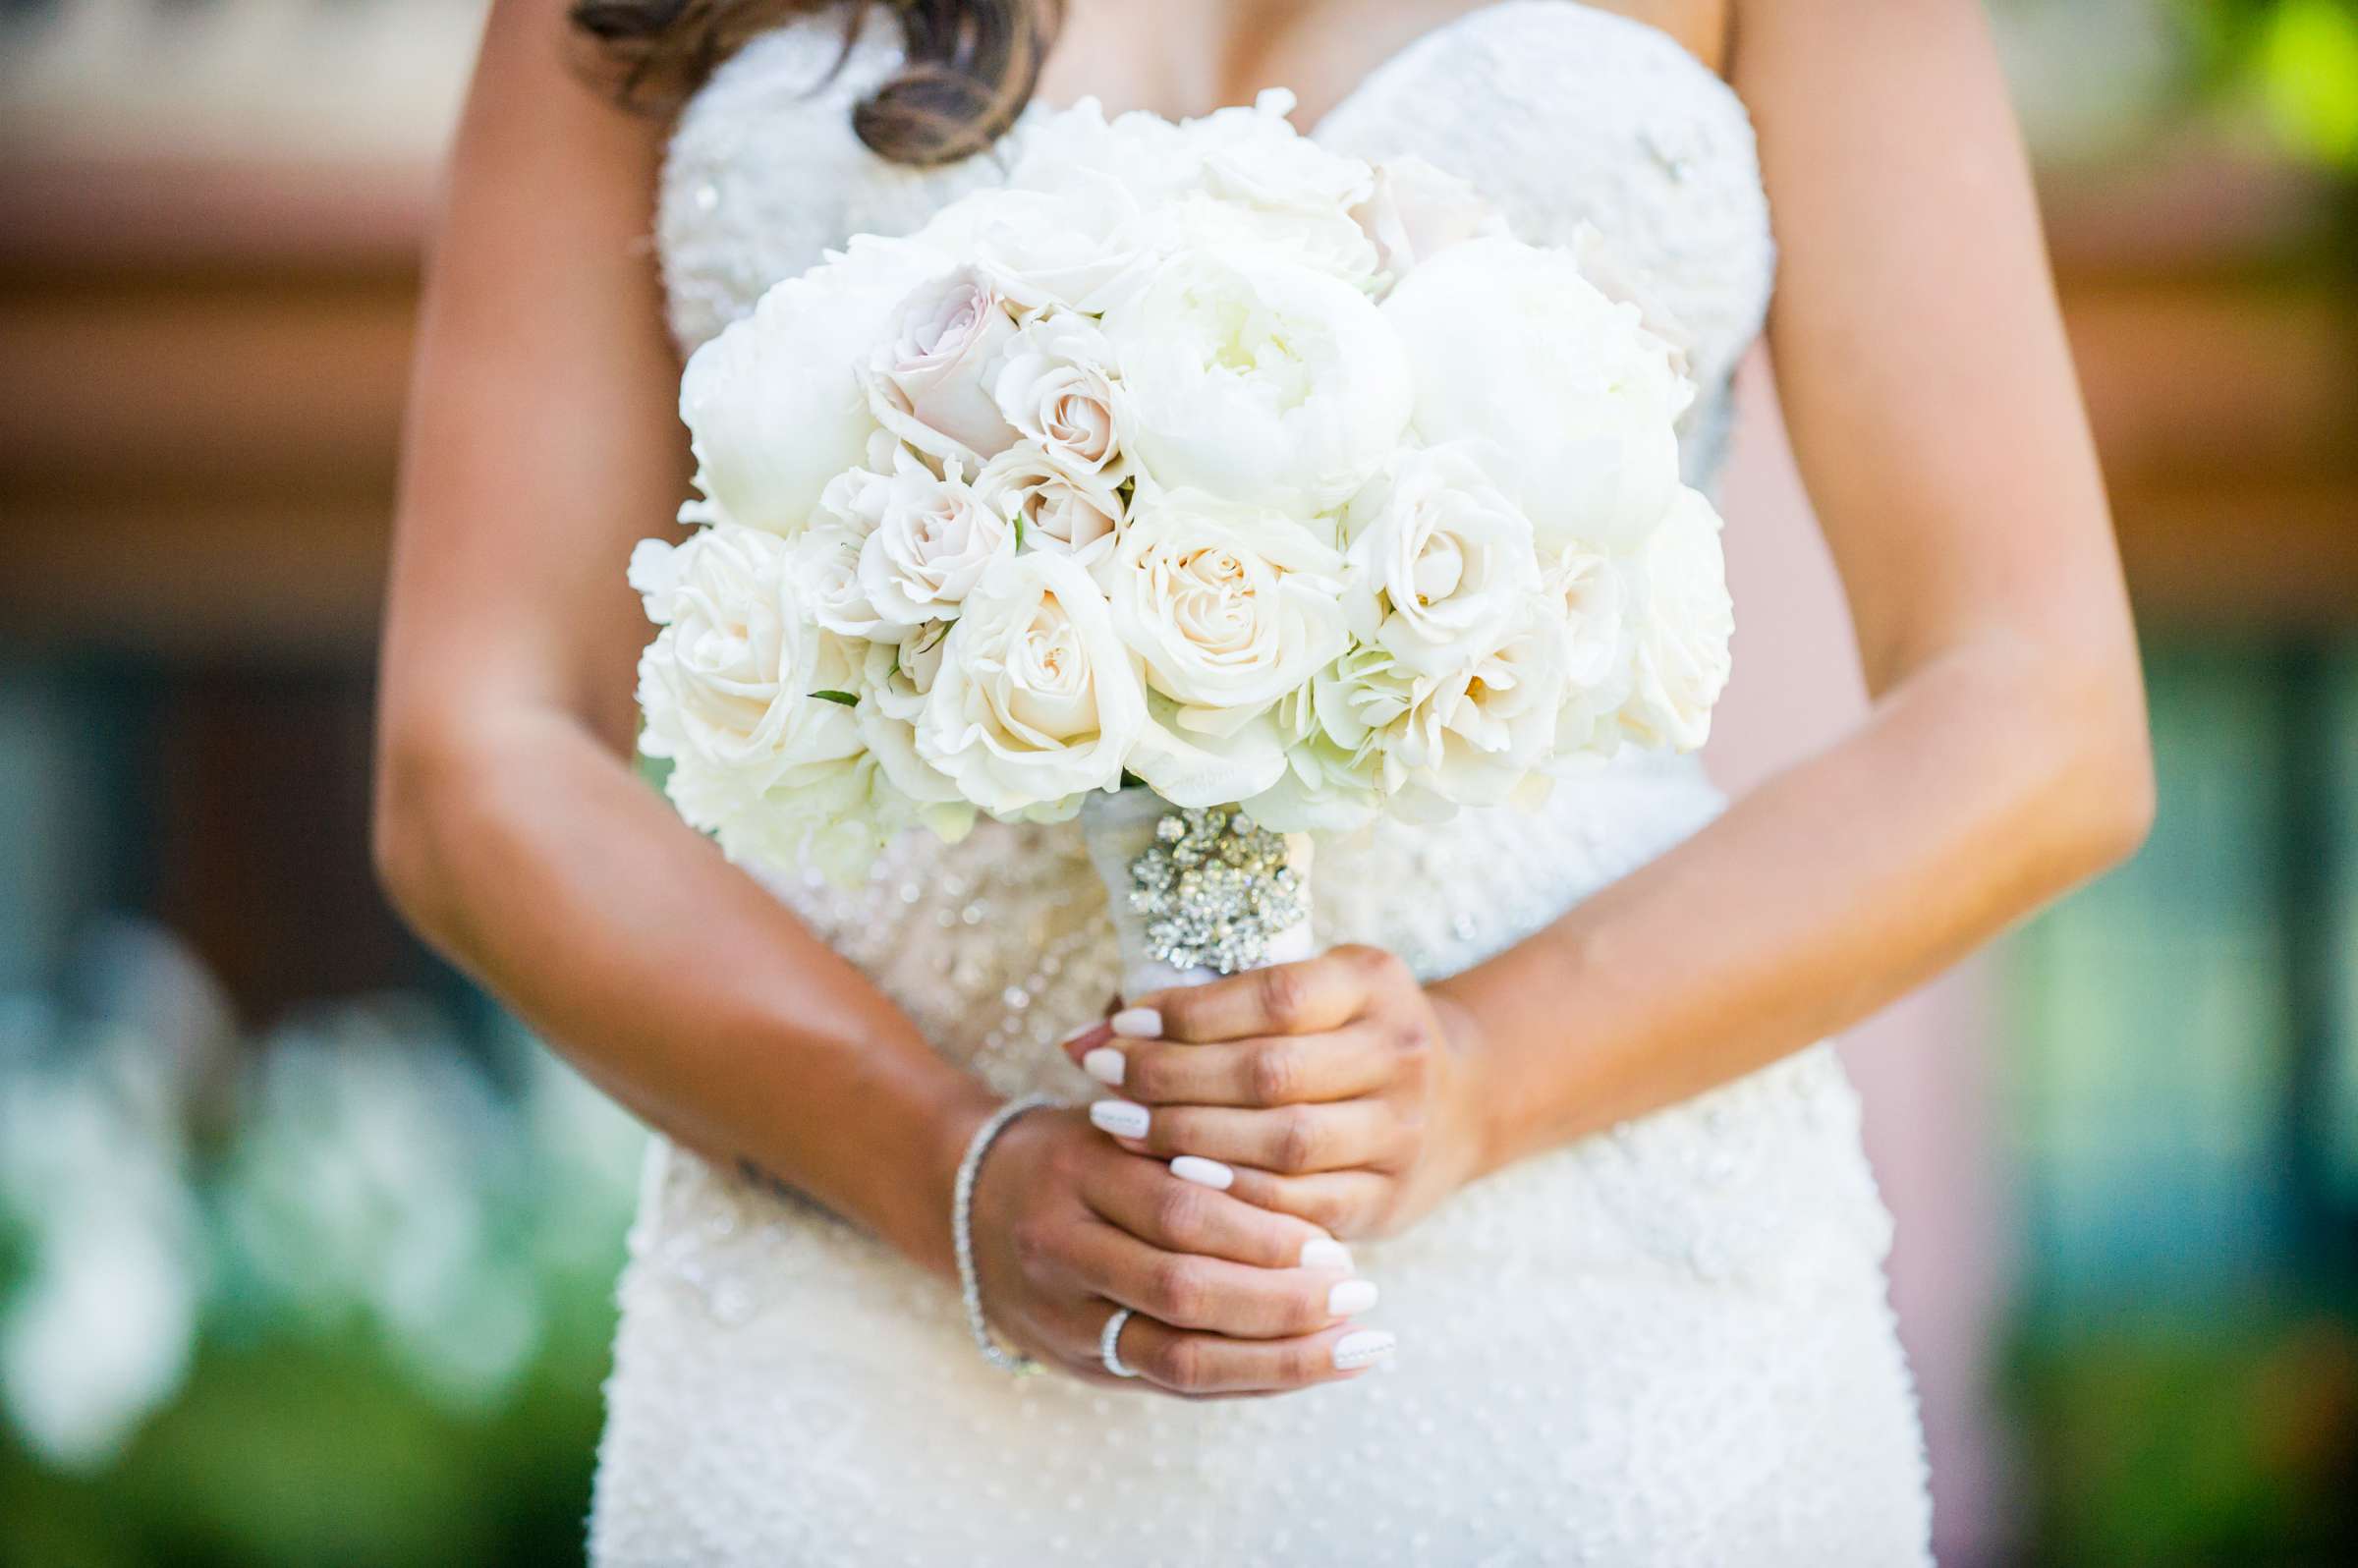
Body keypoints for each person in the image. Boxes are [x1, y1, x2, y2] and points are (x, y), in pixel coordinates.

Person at [374, 2, 2154, 1560]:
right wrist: (944, 1172)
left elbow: (2038, 709)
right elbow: (477, 753)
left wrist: (1484, 1070)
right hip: (870, 1311)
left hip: (1599, 1290)